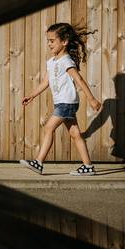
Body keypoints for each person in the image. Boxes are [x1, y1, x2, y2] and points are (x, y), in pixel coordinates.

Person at [20, 23, 102, 176]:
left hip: (67, 101)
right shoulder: (51, 62)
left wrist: (92, 99)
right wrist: (31, 95)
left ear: (64, 42)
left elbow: (79, 80)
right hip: (61, 102)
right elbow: (45, 82)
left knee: (48, 128)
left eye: (52, 40)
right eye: (48, 41)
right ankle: (88, 166)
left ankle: (38, 162)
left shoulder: (66, 60)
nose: (49, 44)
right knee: (75, 133)